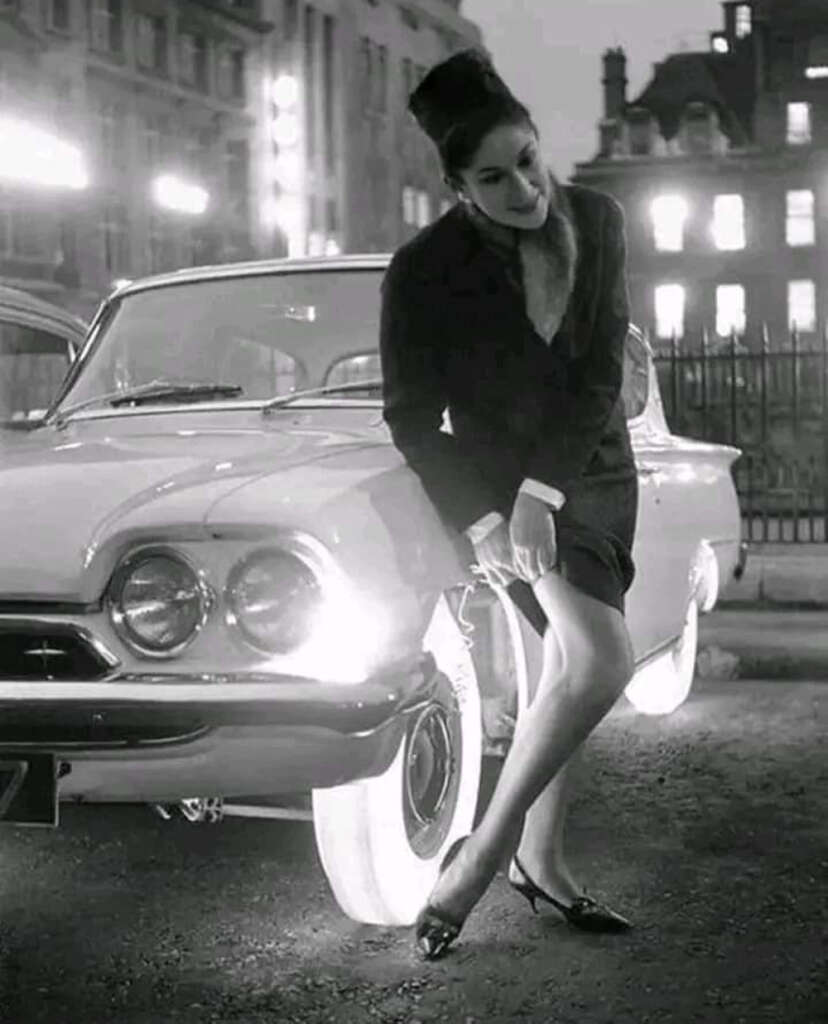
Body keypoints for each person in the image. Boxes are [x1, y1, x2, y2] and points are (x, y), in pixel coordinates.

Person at [379, 49, 639, 960]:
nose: (525, 187)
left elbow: (601, 370)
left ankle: (539, 858)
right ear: (458, 186)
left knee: (564, 673)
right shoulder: (421, 271)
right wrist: (489, 516)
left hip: (590, 467)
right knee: (601, 659)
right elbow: (410, 419)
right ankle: (487, 859)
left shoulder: (598, 220)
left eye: (528, 158)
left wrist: (543, 492)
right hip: (497, 486)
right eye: (494, 176)